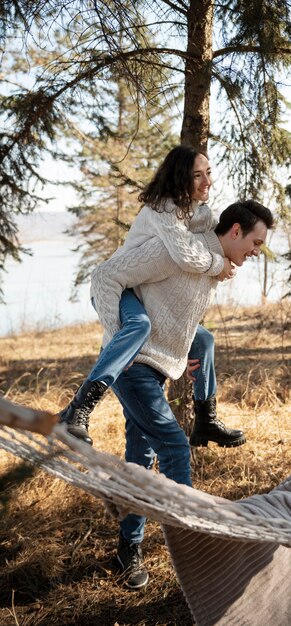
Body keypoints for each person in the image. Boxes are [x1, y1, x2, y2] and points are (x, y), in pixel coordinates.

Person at [102, 199, 274, 588]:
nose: (256, 252)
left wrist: (180, 353)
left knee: (139, 458)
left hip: (156, 363)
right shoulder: (180, 253)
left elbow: (171, 313)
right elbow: (114, 279)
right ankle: (195, 552)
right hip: (133, 367)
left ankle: (127, 547)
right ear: (235, 232)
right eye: (256, 242)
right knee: (174, 449)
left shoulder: (210, 263)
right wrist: (120, 347)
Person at [59, 146, 243, 448]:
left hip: (145, 295)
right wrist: (118, 338)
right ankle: (80, 409)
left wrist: (183, 349)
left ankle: (205, 418)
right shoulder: (162, 209)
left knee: (203, 341)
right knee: (139, 326)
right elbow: (186, 255)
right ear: (179, 178)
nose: (206, 181)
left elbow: (210, 244)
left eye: (208, 173)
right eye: (197, 176)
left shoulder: (201, 213)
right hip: (116, 288)